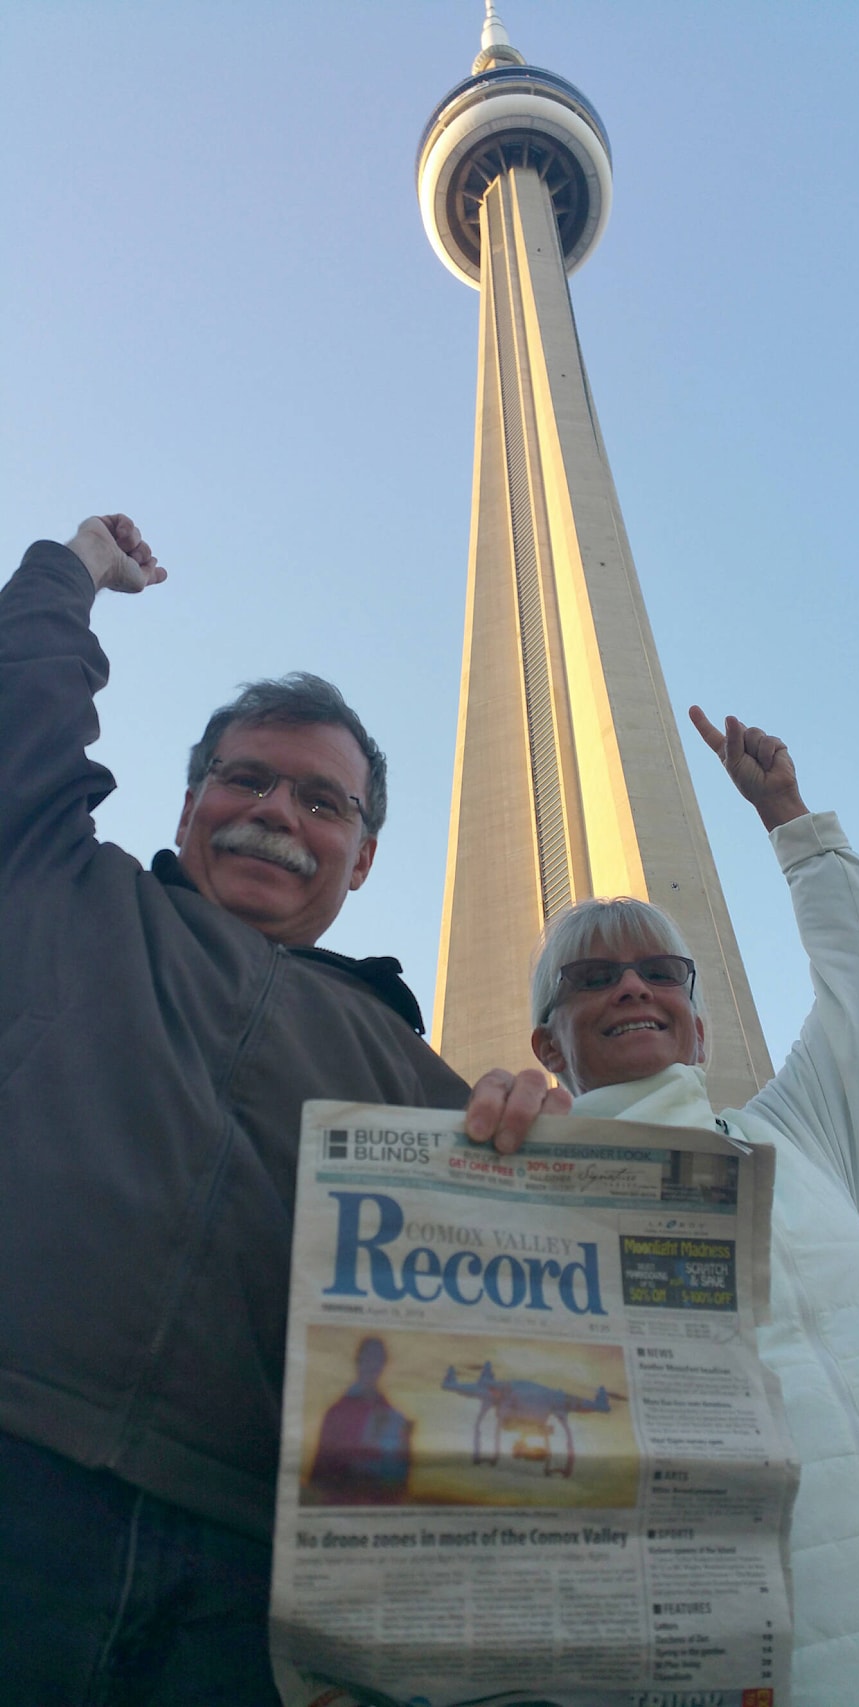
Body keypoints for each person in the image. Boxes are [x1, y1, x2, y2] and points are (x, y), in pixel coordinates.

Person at [0, 514, 566, 1705]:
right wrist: (69, 577)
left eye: (323, 802)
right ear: (190, 799)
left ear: (362, 860)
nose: (276, 813)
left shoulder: (408, 1077)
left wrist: (531, 1133)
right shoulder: (63, 895)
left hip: (246, 1576)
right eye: (245, 778)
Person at [530, 707, 859, 1707]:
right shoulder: (544, 1211)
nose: (633, 986)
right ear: (550, 1045)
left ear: (698, 1025)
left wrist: (790, 820)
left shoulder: (793, 1140)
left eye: (658, 972)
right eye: (594, 978)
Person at [309, 1337, 412, 1505]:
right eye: (368, 1358)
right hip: (340, 1516)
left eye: (377, 1359)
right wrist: (354, 1470)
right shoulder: (336, 1413)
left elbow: (402, 1479)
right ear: (358, 1361)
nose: (372, 1365)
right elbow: (319, 1475)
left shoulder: (396, 1418)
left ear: (383, 1365)